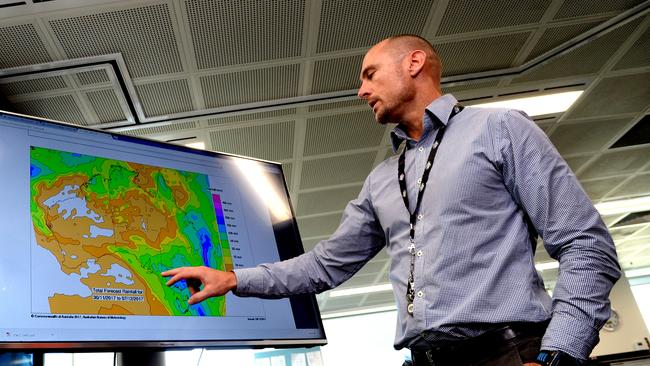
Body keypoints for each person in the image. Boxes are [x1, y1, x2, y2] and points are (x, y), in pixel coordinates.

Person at [162, 34, 620, 366]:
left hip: (505, 351)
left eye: (370, 74)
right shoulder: (383, 179)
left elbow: (586, 245)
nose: (361, 90)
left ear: (415, 62)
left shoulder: (499, 130)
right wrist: (233, 279)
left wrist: (560, 354)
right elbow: (325, 265)